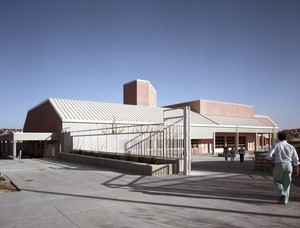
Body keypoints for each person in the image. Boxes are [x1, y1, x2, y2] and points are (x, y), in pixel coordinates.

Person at [266, 132, 299, 205]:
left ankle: (282, 193)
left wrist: (271, 163)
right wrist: (297, 168)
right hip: (289, 164)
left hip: (279, 164)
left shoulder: (276, 145)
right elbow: (295, 158)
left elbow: (268, 156)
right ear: (286, 138)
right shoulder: (291, 146)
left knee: (276, 180)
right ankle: (285, 201)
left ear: (278, 137)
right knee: (287, 183)